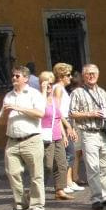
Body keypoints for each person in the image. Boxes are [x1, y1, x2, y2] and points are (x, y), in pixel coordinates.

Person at [69, 64, 106, 210]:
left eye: (93, 73)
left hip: (104, 133)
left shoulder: (103, 93)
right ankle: (96, 198)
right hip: (88, 133)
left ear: (98, 75)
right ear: (84, 76)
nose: (91, 76)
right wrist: (90, 114)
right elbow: (72, 113)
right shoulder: (77, 93)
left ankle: (105, 195)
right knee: (93, 167)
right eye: (88, 74)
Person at [0, 65, 46, 210]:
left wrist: (18, 108)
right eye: (13, 75)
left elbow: (40, 113)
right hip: (12, 141)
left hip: (31, 139)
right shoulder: (8, 96)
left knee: (36, 175)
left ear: (25, 78)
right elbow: (1, 122)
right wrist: (5, 113)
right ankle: (20, 203)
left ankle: (37, 206)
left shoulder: (34, 94)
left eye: (17, 76)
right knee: (12, 173)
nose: (14, 78)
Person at [38, 71, 73, 202]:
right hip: (45, 137)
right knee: (47, 165)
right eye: (45, 83)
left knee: (61, 163)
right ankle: (37, 190)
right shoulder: (37, 98)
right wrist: (42, 91)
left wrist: (64, 134)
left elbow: (57, 118)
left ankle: (60, 190)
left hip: (57, 135)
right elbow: (40, 111)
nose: (48, 86)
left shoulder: (53, 99)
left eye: (51, 83)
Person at [52, 63, 83, 194]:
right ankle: (65, 182)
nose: (70, 78)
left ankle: (69, 181)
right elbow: (57, 110)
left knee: (70, 153)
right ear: (61, 76)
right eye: (68, 75)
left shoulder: (61, 88)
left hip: (66, 121)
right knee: (68, 154)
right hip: (63, 122)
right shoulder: (58, 88)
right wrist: (68, 127)